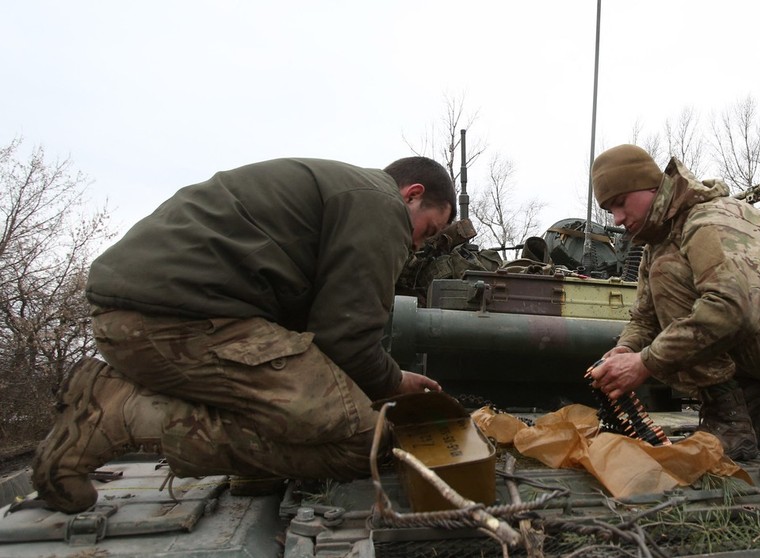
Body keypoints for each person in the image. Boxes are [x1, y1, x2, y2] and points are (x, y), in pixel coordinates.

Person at [32, 156, 456, 513]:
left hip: (145, 316)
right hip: (174, 322)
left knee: (318, 402)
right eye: (429, 230)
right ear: (412, 194)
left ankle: (255, 464)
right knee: (366, 441)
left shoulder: (340, 192)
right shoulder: (379, 204)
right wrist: (395, 381)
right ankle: (120, 414)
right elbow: (345, 338)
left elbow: (313, 335)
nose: (418, 246)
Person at [586, 145, 760, 461]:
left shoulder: (710, 218)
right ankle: (758, 403)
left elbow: (733, 307)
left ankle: (728, 422)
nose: (618, 218)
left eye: (621, 203)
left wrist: (645, 362)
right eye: (610, 210)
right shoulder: (658, 243)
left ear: (650, 187)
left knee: (671, 276)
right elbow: (645, 317)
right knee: (666, 296)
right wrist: (625, 350)